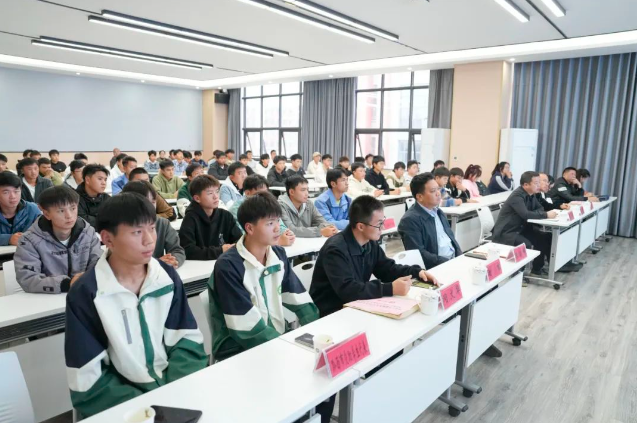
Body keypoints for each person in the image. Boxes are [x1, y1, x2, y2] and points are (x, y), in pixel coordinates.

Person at [64, 193, 207, 419]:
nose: (149, 240)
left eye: (152, 228)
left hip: (175, 392)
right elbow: (87, 377)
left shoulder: (166, 277)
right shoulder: (87, 293)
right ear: (108, 239)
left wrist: (173, 393)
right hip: (123, 406)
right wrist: (148, 405)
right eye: (137, 232)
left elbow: (186, 340)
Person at [208, 192, 318, 360]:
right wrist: (285, 346)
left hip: (276, 337)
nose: (277, 228)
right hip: (238, 348)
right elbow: (245, 326)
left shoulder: (278, 254)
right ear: (249, 228)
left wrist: (316, 329)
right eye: (270, 223)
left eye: (278, 221)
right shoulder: (229, 266)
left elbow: (298, 297)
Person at [310, 195, 438, 317]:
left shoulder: (369, 242)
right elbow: (348, 290)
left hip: (355, 304)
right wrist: (390, 288)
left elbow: (387, 269)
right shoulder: (335, 250)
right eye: (379, 224)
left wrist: (417, 272)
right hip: (331, 311)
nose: (383, 228)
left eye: (383, 222)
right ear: (361, 226)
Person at [14, 186, 102, 294]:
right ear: (47, 214)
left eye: (73, 208)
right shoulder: (29, 241)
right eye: (61, 211)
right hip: (48, 299)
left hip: (85, 295)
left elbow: (99, 264)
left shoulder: (88, 233)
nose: (69, 216)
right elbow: (27, 278)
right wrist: (66, 284)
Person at [493, 172, 559, 276]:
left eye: (539, 182)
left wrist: (536, 213)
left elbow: (540, 208)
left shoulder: (531, 195)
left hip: (521, 229)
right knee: (525, 244)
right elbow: (525, 214)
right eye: (536, 183)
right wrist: (546, 215)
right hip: (507, 232)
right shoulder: (517, 196)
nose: (538, 185)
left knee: (545, 237)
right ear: (526, 185)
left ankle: (537, 269)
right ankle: (517, 274)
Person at [399, 173, 462, 268]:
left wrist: (460, 258)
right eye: (433, 191)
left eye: (438, 189)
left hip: (452, 261)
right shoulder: (409, 220)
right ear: (420, 197)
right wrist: (449, 263)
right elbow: (419, 254)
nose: (438, 193)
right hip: (436, 267)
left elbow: (451, 240)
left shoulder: (439, 212)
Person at [122, 181, 186, 268]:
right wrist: (156, 263)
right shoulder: (122, 227)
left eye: (153, 202)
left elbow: (177, 250)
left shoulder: (162, 223)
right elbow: (123, 261)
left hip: (158, 273)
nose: (151, 207)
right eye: (146, 202)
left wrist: (172, 261)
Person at [179, 175, 242, 260]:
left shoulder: (225, 215)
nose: (216, 196)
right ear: (197, 198)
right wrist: (220, 251)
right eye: (210, 193)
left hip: (225, 261)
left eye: (217, 191)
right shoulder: (190, 218)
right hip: (199, 265)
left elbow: (240, 241)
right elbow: (187, 250)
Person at [229, 175, 295, 246]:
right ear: (247, 193)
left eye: (266, 192)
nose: (265, 196)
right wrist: (278, 241)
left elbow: (281, 226)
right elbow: (244, 235)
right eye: (260, 194)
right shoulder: (236, 209)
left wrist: (287, 234)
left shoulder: (267, 203)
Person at [0, 172, 41, 246]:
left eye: (16, 191)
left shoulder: (32, 209)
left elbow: (46, 233)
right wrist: (9, 239)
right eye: (6, 192)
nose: (13, 196)